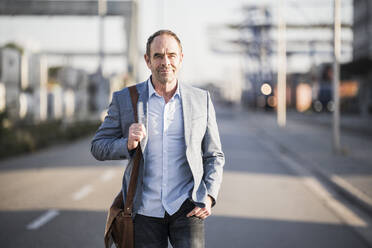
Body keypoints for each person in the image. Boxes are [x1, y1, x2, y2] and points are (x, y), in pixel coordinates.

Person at [91, 29, 224, 248]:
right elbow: (98, 146)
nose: (165, 62)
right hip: (144, 211)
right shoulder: (126, 99)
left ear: (181, 58)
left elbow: (214, 154)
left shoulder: (201, 100)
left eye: (171, 55)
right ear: (147, 60)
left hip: (188, 207)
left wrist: (209, 195)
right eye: (158, 56)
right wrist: (126, 144)